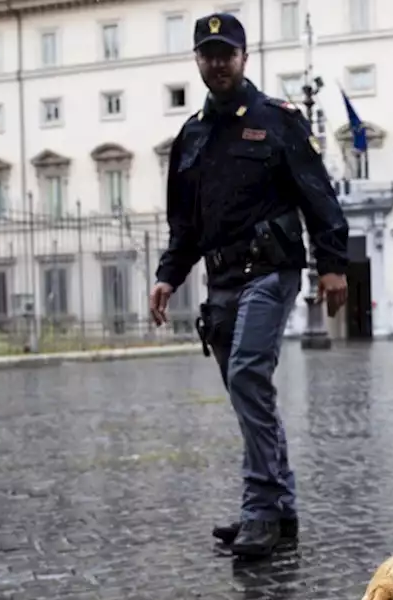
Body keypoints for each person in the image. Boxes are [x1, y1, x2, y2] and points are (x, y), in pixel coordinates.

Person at [149, 12, 350, 557]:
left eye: (227, 53)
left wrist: (332, 263)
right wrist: (169, 275)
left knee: (246, 375)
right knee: (248, 394)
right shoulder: (190, 135)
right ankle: (282, 513)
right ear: (197, 60)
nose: (218, 62)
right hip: (220, 280)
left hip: (271, 270)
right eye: (208, 54)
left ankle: (259, 508)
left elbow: (319, 195)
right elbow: (184, 223)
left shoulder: (278, 119)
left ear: (244, 57)